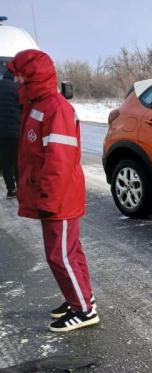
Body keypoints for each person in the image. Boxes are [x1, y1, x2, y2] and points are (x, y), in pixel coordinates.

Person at [7, 49, 98, 332]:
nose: (15, 80)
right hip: (53, 197)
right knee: (70, 252)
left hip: (59, 198)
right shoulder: (37, 105)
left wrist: (48, 198)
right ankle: (81, 298)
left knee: (61, 255)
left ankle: (84, 310)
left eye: (19, 74)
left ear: (32, 75)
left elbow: (58, 160)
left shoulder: (55, 109)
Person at [0, 60, 20, 197]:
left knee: (6, 161)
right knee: (18, 161)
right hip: (17, 131)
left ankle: (11, 189)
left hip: (2, 133)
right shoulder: (18, 89)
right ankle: (21, 188)